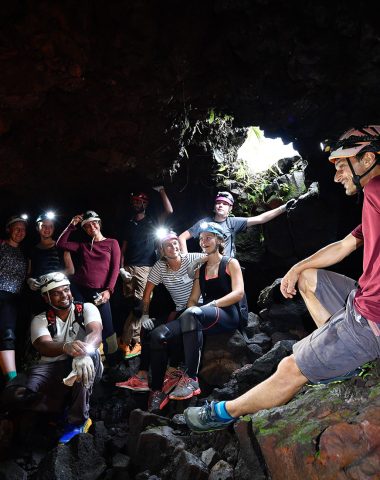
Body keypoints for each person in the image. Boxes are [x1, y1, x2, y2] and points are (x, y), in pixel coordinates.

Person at [184, 125, 380, 432]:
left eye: (342, 165)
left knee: (290, 367)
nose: (336, 175)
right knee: (310, 277)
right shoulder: (373, 197)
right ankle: (335, 349)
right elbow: (344, 245)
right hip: (361, 300)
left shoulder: (376, 189)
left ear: (367, 160)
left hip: (371, 317)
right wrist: (296, 268)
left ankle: (221, 413)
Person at [147, 222, 247, 411]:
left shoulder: (230, 263)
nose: (203, 241)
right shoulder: (200, 270)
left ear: (218, 240)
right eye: (201, 238)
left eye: (208, 237)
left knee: (192, 313)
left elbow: (238, 293)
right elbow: (192, 300)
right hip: (204, 314)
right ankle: (157, 389)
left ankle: (191, 378)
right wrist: (187, 316)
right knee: (157, 335)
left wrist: (209, 306)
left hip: (228, 314)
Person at [1, 272, 103, 443]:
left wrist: (84, 352)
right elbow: (43, 345)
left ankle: (79, 421)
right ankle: (56, 409)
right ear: (46, 298)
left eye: (66, 290)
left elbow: (96, 332)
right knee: (17, 394)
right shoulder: (40, 320)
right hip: (53, 368)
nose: (64, 295)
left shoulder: (86, 308)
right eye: (57, 293)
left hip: (87, 362)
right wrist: (66, 347)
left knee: (81, 366)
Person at [116, 230, 205, 410]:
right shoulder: (159, 266)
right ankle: (143, 376)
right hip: (179, 310)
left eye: (175, 243)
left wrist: (201, 260)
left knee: (161, 334)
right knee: (148, 328)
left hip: (198, 309)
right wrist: (146, 314)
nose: (173, 247)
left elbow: (219, 257)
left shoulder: (191, 257)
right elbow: (147, 294)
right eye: (168, 245)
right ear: (162, 250)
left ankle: (169, 375)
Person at [56, 211, 121, 366]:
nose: (91, 226)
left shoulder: (112, 243)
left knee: (108, 328)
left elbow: (115, 268)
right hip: (79, 289)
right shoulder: (84, 246)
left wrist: (109, 290)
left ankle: (113, 364)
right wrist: (71, 225)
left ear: (99, 224)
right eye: (87, 226)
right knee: (82, 325)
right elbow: (60, 243)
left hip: (99, 292)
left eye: (94, 223)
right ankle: (84, 361)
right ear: (84, 229)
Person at [119, 187, 173, 359]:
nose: (137, 204)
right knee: (131, 304)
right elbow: (123, 248)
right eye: (135, 201)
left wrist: (163, 191)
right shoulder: (129, 222)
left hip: (145, 267)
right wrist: (121, 268)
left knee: (140, 304)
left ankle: (128, 342)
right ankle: (132, 341)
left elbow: (169, 211)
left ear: (146, 204)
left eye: (140, 201)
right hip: (129, 267)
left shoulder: (152, 221)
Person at [178, 191, 287, 257]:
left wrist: (284, 207)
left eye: (225, 204)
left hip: (226, 265)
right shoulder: (205, 222)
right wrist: (186, 258)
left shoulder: (233, 222)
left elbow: (260, 219)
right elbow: (182, 237)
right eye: (218, 203)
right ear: (214, 207)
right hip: (206, 264)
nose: (220, 205)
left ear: (230, 209)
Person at [27, 211, 74, 315]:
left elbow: (71, 270)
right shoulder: (32, 249)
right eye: (43, 226)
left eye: (50, 226)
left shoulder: (61, 246)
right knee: (38, 320)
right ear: (37, 228)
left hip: (59, 292)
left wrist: (53, 279)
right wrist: (30, 281)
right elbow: (29, 273)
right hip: (39, 293)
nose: (47, 229)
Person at [0, 214, 28, 384]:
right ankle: (12, 381)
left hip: (13, 298)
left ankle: (11, 380)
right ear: (8, 229)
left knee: (8, 335)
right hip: (1, 292)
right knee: (7, 335)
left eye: (23, 229)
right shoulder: (2, 246)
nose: (20, 232)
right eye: (17, 228)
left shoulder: (22, 253)